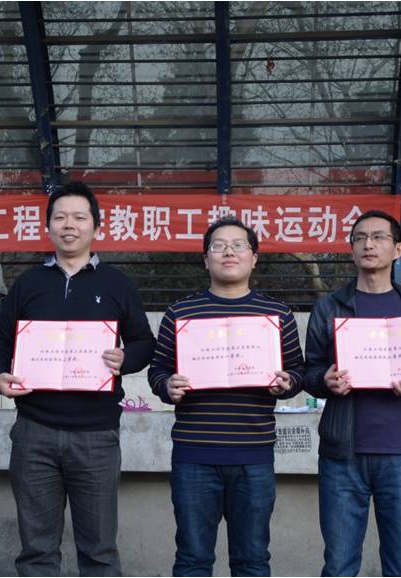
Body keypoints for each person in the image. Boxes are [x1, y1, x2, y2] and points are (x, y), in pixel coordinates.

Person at [0, 181, 156, 577]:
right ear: (47, 226)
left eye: (79, 217)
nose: (69, 225)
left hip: (96, 436)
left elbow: (144, 342)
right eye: (60, 217)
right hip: (34, 433)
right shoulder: (28, 283)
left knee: (99, 551)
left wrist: (126, 358)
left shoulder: (117, 284)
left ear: (96, 226)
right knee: (36, 552)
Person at [148, 217, 305, 577]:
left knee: (252, 560)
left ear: (254, 258)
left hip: (253, 455)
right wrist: (167, 386)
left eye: (238, 245)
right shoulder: (180, 313)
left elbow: (298, 370)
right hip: (194, 455)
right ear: (206, 259)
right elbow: (157, 370)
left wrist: (287, 382)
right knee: (192, 560)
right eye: (218, 246)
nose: (228, 252)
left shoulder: (277, 314)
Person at [303, 210, 401, 577]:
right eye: (359, 238)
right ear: (352, 249)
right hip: (342, 455)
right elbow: (309, 372)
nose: (368, 244)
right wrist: (326, 380)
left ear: (398, 249)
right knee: (338, 566)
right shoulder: (329, 308)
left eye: (378, 237)